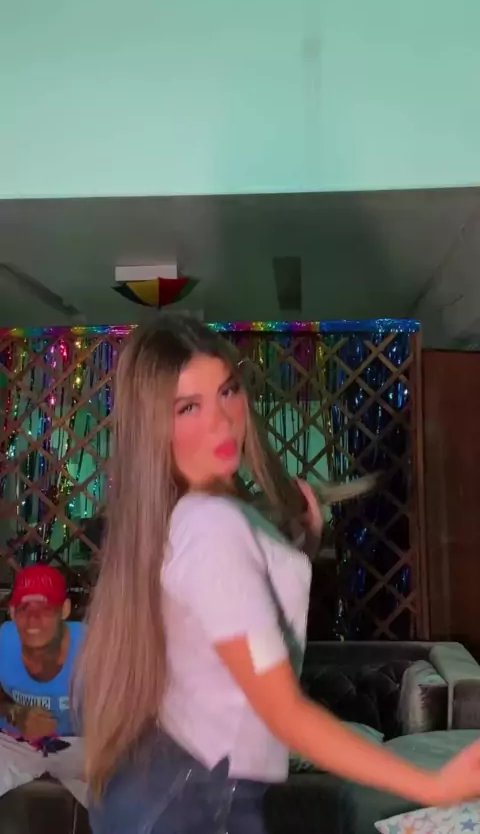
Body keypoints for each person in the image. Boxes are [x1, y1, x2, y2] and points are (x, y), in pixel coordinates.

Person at [75, 315, 480, 834]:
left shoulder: (184, 517)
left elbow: (222, 627)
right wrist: (432, 785)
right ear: (153, 426)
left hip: (169, 789)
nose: (221, 421)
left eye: (228, 390)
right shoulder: (212, 525)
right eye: (188, 407)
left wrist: (296, 549)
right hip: (195, 804)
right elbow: (283, 712)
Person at [0, 563, 86, 806]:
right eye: (24, 608)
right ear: (12, 612)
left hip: (82, 742)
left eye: (46, 608)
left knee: (128, 806)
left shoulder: (93, 646)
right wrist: (14, 712)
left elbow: (128, 711)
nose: (33, 619)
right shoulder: (4, 640)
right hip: (13, 740)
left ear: (64, 610)